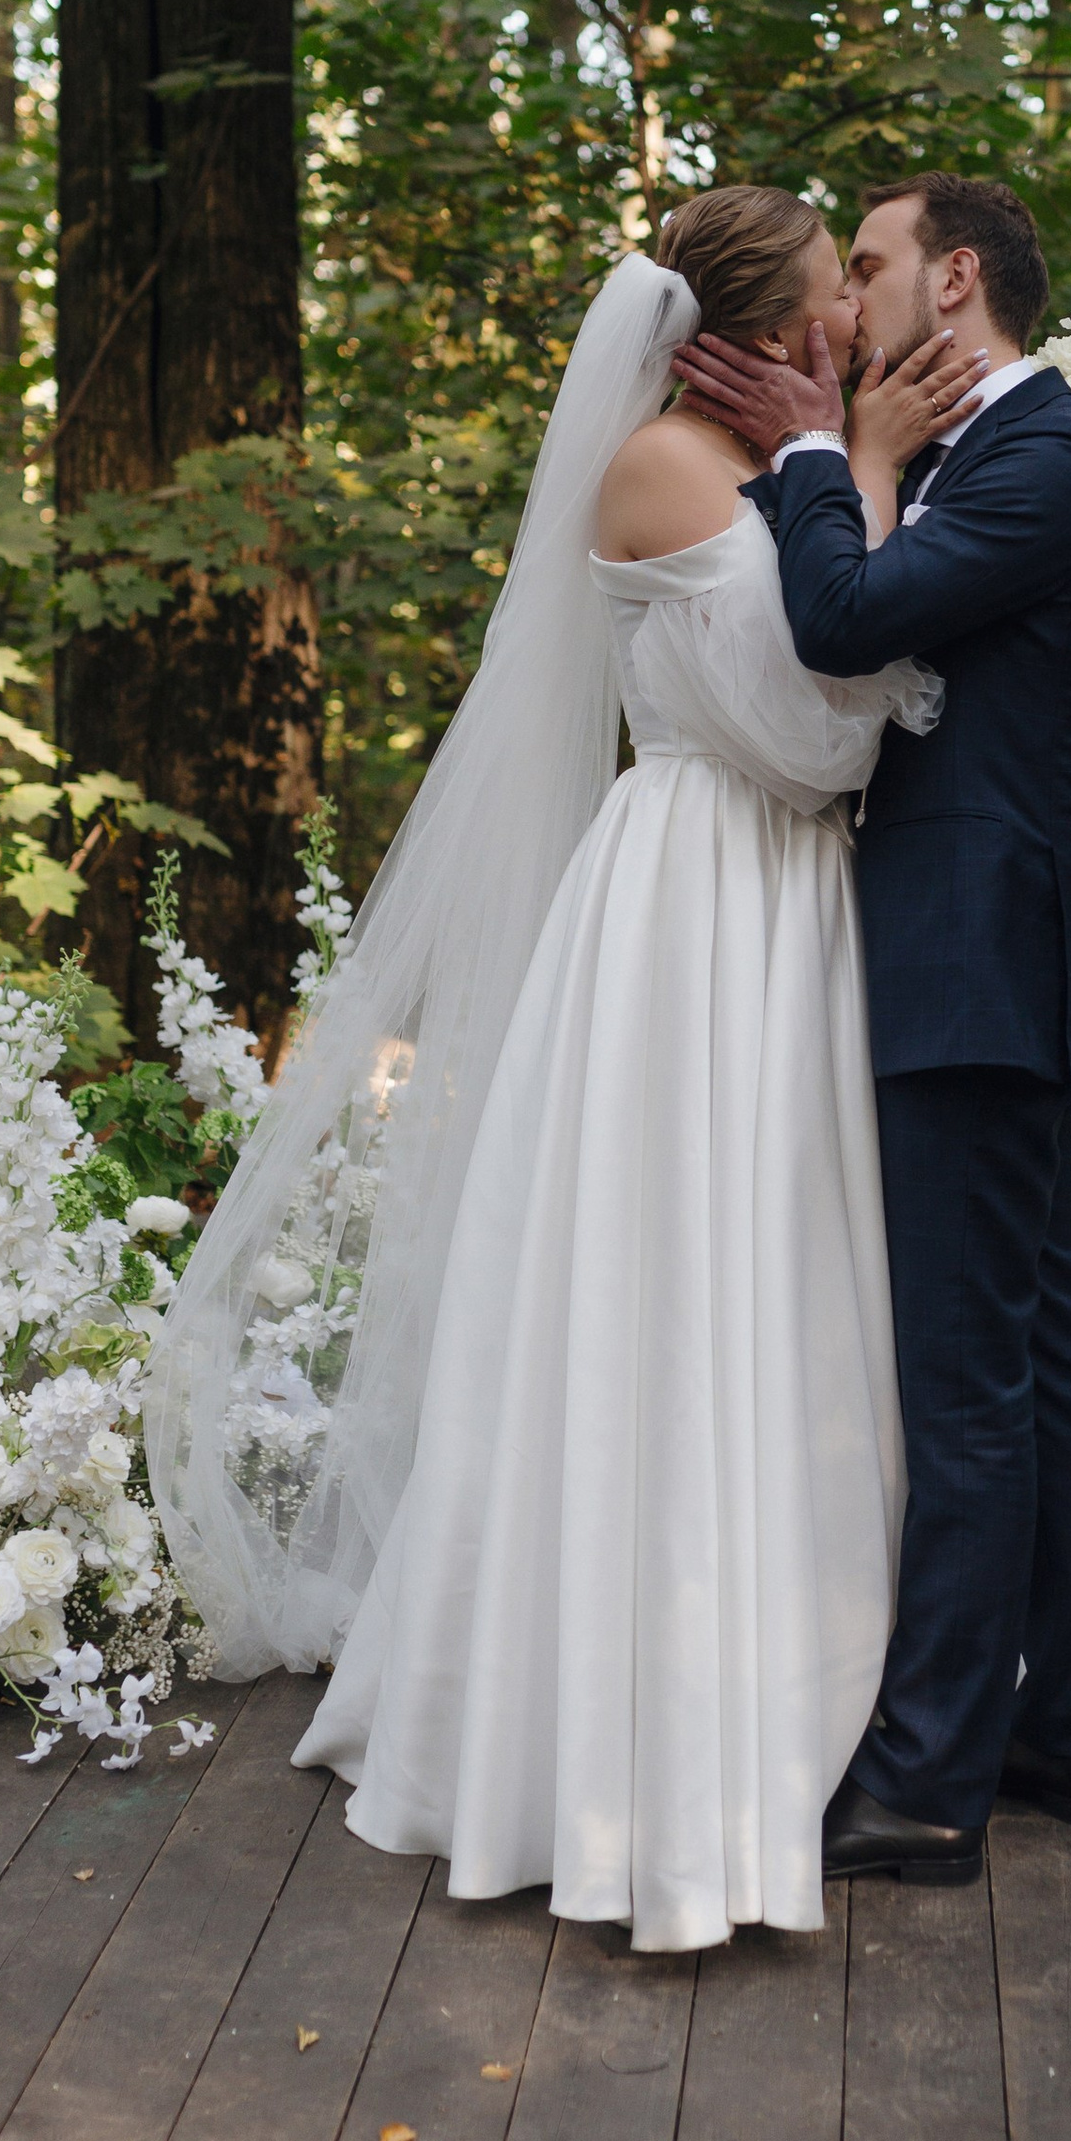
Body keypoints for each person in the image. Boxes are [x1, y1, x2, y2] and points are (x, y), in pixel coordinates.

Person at [143, 190, 978, 1952]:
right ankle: (609, 1726)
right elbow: (812, 734)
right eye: (831, 298)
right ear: (762, 328)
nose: (853, 322)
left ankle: (812, 1680)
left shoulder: (779, 459)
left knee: (786, 1280)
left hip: (784, 917)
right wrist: (860, 476)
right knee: (668, 1285)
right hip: (697, 905)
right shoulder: (668, 467)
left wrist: (845, 478)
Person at [673, 172, 1071, 1889]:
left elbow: (847, 621)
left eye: (865, 264)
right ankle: (1066, 1732)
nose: (845, 296)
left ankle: (935, 1777)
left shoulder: (1045, 454)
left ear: (954, 279)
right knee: (1036, 1348)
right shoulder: (977, 444)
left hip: (975, 952)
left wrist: (820, 445)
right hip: (974, 947)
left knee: (969, 1377)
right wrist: (844, 452)